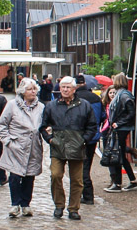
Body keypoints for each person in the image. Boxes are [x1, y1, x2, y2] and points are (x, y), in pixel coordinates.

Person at [40, 76, 97, 220]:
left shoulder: (84, 105)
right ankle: (59, 205)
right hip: (58, 147)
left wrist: (84, 140)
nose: (65, 90)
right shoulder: (51, 106)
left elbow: (92, 126)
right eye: (62, 87)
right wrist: (50, 139)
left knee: (77, 180)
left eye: (68, 87)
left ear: (74, 89)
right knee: (56, 175)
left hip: (77, 147)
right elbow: (43, 126)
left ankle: (74, 208)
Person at [0, 78, 45, 218]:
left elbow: (45, 124)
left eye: (35, 89)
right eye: (30, 89)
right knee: (15, 176)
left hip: (33, 147)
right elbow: (2, 124)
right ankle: (15, 204)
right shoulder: (12, 105)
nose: (33, 92)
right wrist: (7, 141)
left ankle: (26, 204)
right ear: (23, 91)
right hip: (16, 146)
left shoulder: (41, 107)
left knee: (29, 176)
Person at [104, 73, 137, 192]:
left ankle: (118, 183)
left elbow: (131, 112)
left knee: (118, 155)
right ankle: (131, 181)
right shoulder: (122, 94)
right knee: (120, 155)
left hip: (121, 128)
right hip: (120, 127)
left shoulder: (123, 95)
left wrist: (119, 123)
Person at [75, 75, 105, 205]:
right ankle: (86, 194)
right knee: (86, 166)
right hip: (93, 137)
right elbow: (103, 116)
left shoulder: (75, 98)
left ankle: (87, 195)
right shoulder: (96, 98)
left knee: (81, 167)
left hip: (79, 137)